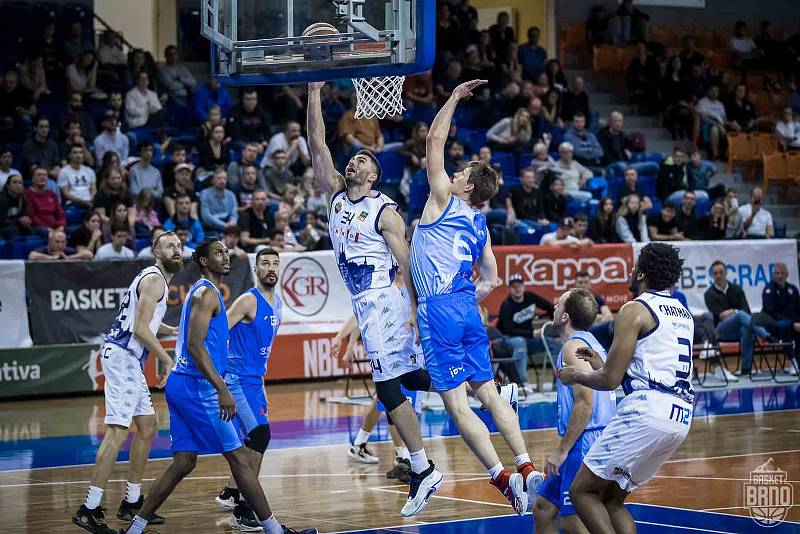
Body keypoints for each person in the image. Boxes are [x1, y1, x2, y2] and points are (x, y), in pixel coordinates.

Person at [308, 81, 442, 517]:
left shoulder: (385, 211)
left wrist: (417, 310)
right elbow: (316, 144)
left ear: (374, 174)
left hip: (386, 300)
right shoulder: (336, 199)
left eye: (362, 159)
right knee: (408, 380)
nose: (353, 162)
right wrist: (313, 91)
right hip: (366, 304)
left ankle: (421, 468)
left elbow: (407, 265)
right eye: (352, 159)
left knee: (388, 387)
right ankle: (489, 391)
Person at [410, 79, 544, 515]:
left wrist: (451, 98)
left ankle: (503, 480)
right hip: (468, 307)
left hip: (441, 309)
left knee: (456, 404)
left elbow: (433, 138)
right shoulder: (480, 224)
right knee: (489, 391)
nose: (455, 173)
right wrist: (469, 294)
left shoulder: (443, 200)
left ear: (465, 187)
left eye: (461, 173)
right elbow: (493, 276)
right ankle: (526, 467)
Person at [120, 240, 316, 534]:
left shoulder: (205, 293)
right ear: (202, 260)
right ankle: (273, 529)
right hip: (197, 387)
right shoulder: (206, 294)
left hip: (183, 385)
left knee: (184, 462)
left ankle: (136, 527)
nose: (225, 257)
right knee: (239, 457)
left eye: (226, 252)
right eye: (217, 253)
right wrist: (222, 388)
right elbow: (196, 348)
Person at [558, 242, 693, 534]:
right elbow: (648, 361)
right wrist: (600, 361)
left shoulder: (635, 309)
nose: (630, 271)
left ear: (643, 272)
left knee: (581, 492)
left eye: (634, 266)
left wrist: (574, 375)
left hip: (647, 410)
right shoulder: (683, 313)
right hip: (680, 416)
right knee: (612, 500)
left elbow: (610, 381)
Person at [70, 233, 180, 534]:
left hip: (127, 358)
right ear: (156, 251)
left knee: (147, 427)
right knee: (118, 431)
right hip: (122, 357)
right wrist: (167, 359)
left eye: (180, 246)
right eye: (170, 245)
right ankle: (89, 508)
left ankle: (131, 502)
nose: (177, 250)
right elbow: (140, 329)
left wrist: (174, 329)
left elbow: (147, 323)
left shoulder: (155, 279)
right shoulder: (156, 279)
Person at [533, 288, 616, 533]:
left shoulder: (573, 348)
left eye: (558, 304)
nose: (554, 307)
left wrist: (561, 451)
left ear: (566, 317)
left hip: (586, 441)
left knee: (573, 520)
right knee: (543, 507)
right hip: (594, 437)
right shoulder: (593, 344)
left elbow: (585, 403)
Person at [212, 248, 283, 529]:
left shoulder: (278, 304)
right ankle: (243, 510)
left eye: (275, 263)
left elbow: (262, 351)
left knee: (252, 440)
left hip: (254, 381)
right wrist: (218, 374)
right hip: (236, 380)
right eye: (265, 263)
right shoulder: (247, 301)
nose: (271, 268)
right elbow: (219, 332)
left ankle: (231, 491)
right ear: (256, 268)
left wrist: (262, 384)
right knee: (259, 436)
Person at [705, 260, 772, 378]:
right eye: (715, 273)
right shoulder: (709, 293)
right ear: (712, 276)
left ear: (726, 273)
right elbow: (720, 315)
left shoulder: (736, 289)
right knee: (740, 315)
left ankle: (746, 369)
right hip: (721, 330)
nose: (719, 275)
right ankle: (765, 335)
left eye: (721, 272)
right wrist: (735, 312)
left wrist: (732, 312)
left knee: (747, 329)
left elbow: (747, 311)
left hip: (738, 329)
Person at [497, 274, 556, 395]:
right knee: (520, 342)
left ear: (524, 287)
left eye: (519, 286)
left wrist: (556, 327)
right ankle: (521, 384)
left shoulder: (530, 297)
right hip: (508, 340)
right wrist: (532, 333)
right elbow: (510, 330)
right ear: (510, 289)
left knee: (554, 343)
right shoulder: (506, 305)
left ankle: (560, 381)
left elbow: (549, 306)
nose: (517, 289)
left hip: (529, 339)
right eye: (514, 286)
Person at [762, 262, 800, 375]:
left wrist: (798, 322)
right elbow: (771, 313)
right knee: (784, 325)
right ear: (773, 275)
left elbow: (798, 309)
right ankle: (792, 362)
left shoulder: (793, 289)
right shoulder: (769, 290)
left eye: (782, 273)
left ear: (787, 274)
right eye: (777, 273)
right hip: (773, 325)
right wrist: (792, 323)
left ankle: (798, 361)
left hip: (791, 323)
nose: (780, 276)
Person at [26, 167, 65, 236]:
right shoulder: (27, 195)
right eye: (39, 175)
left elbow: (60, 213)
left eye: (44, 175)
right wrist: (47, 229)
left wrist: (61, 226)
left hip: (55, 227)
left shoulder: (51, 194)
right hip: (38, 227)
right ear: (32, 179)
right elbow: (32, 216)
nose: (42, 177)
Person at [199, 168, 238, 239]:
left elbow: (234, 214)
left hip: (228, 229)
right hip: (211, 228)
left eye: (224, 178)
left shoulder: (231, 195)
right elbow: (206, 216)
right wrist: (224, 225)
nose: (222, 181)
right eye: (219, 178)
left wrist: (232, 224)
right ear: (213, 181)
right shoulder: (204, 194)